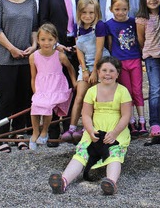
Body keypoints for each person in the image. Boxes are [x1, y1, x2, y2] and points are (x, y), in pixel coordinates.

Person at [48, 56, 132, 195]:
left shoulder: (123, 91)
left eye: (111, 71)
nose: (107, 74)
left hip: (116, 130)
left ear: (117, 73)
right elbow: (86, 115)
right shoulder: (92, 91)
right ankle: (63, 181)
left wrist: (115, 133)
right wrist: (90, 130)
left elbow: (126, 116)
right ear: (98, 72)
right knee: (81, 154)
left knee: (114, 153)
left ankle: (111, 182)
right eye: (104, 70)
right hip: (95, 129)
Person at [0, 0, 38, 153]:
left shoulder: (31, 2)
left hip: (26, 58)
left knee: (23, 98)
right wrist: (12, 48)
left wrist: (33, 46)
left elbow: (34, 27)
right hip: (6, 58)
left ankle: (18, 134)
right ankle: (2, 135)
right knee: (7, 98)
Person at [39, 0, 79, 147]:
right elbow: (43, 21)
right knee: (55, 86)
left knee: (73, 86)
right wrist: (55, 44)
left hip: (77, 44)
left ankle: (69, 129)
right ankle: (53, 131)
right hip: (56, 45)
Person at [62, 0, 110, 143]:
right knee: (80, 95)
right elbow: (79, 50)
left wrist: (95, 71)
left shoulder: (100, 26)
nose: (88, 16)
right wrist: (84, 69)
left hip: (99, 64)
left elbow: (100, 50)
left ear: (96, 13)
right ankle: (71, 127)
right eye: (84, 13)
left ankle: (89, 127)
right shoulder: (78, 27)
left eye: (91, 13)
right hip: (85, 66)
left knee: (94, 97)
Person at [29, 24, 76, 150]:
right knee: (35, 105)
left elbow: (70, 68)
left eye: (50, 39)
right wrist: (36, 92)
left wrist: (74, 82)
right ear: (38, 40)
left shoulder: (59, 55)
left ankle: (44, 131)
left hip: (57, 87)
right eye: (43, 39)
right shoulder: (33, 56)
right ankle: (35, 132)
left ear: (55, 40)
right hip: (42, 87)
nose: (46, 43)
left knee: (48, 105)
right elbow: (33, 77)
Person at [104, 0, 145, 136]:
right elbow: (109, 44)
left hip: (134, 59)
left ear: (128, 8)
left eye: (124, 9)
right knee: (127, 92)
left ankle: (142, 120)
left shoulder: (134, 22)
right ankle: (131, 121)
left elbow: (140, 39)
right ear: (111, 9)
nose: (121, 13)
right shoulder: (108, 24)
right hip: (120, 62)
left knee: (137, 90)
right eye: (117, 9)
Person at [135, 0, 160, 137]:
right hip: (152, 57)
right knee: (155, 89)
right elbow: (141, 40)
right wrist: (149, 52)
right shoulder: (142, 19)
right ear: (143, 0)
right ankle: (154, 122)